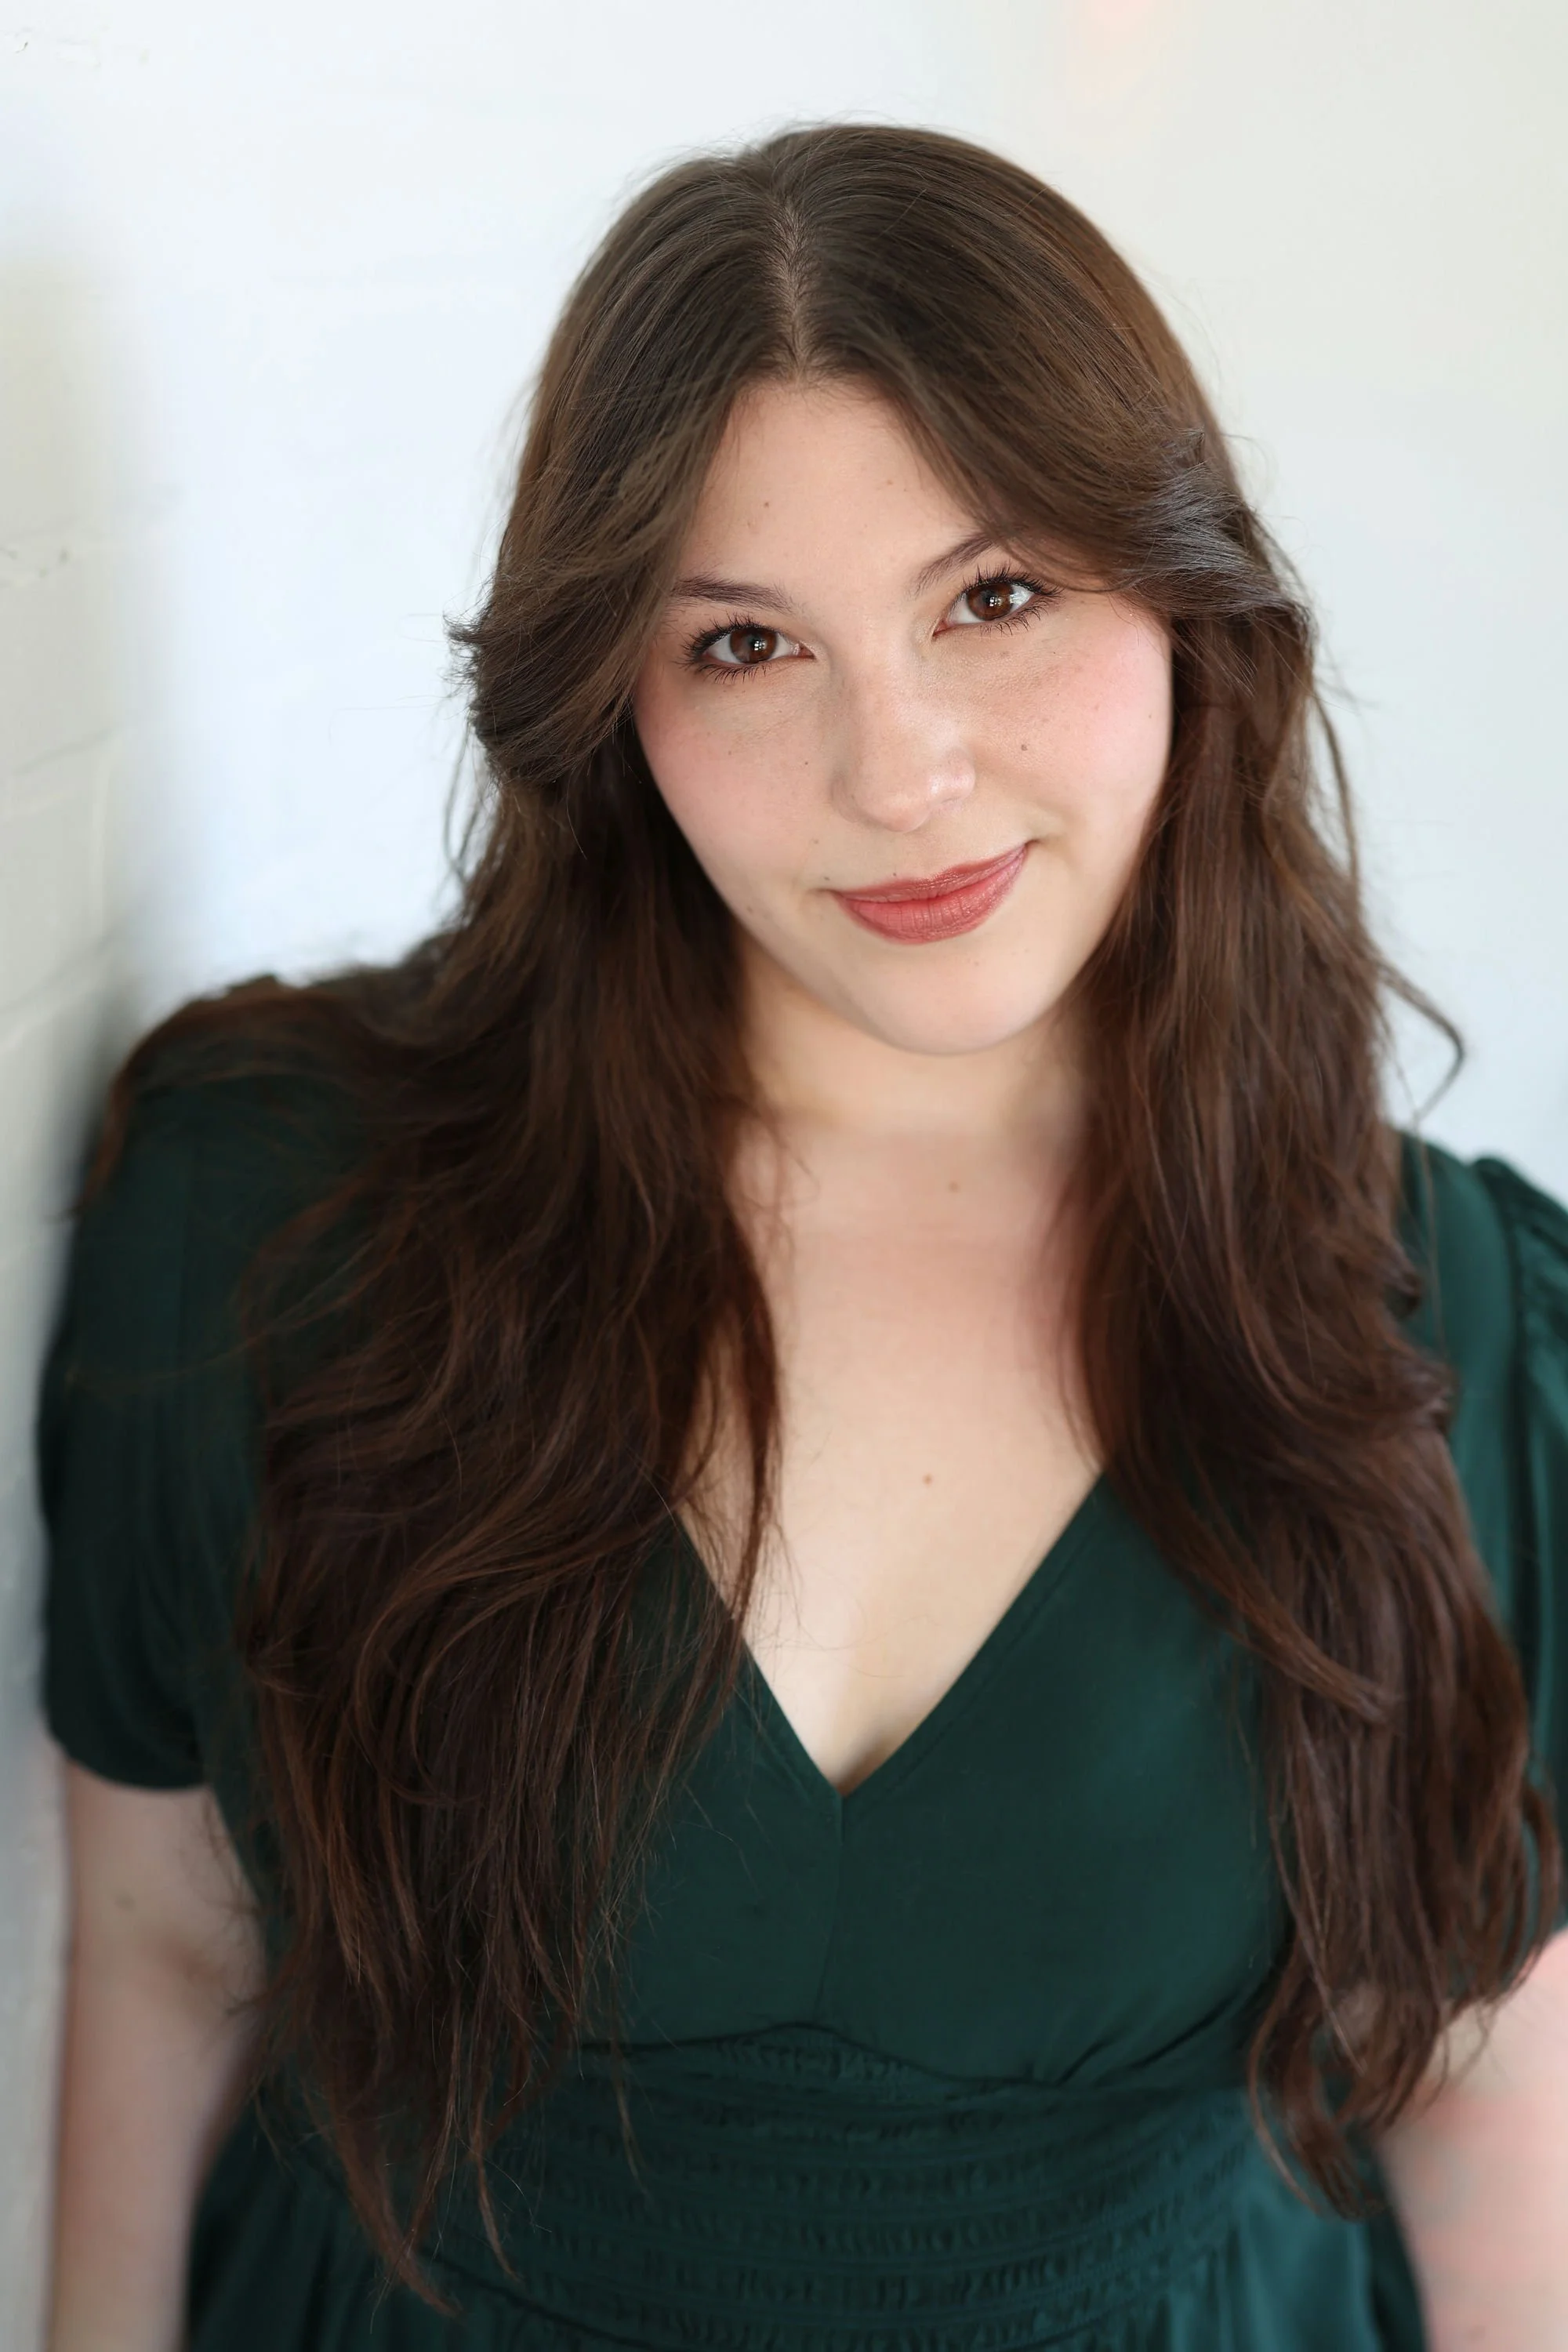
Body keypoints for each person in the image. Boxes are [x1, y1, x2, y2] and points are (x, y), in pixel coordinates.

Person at [39, 122, 1568, 2352]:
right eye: (749, 643)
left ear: (1188, 605)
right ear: (617, 708)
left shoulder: (1464, 1333)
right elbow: (170, 1943)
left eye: (998, 597)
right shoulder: (270, 1213)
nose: (904, 770)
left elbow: (1483, 2064)